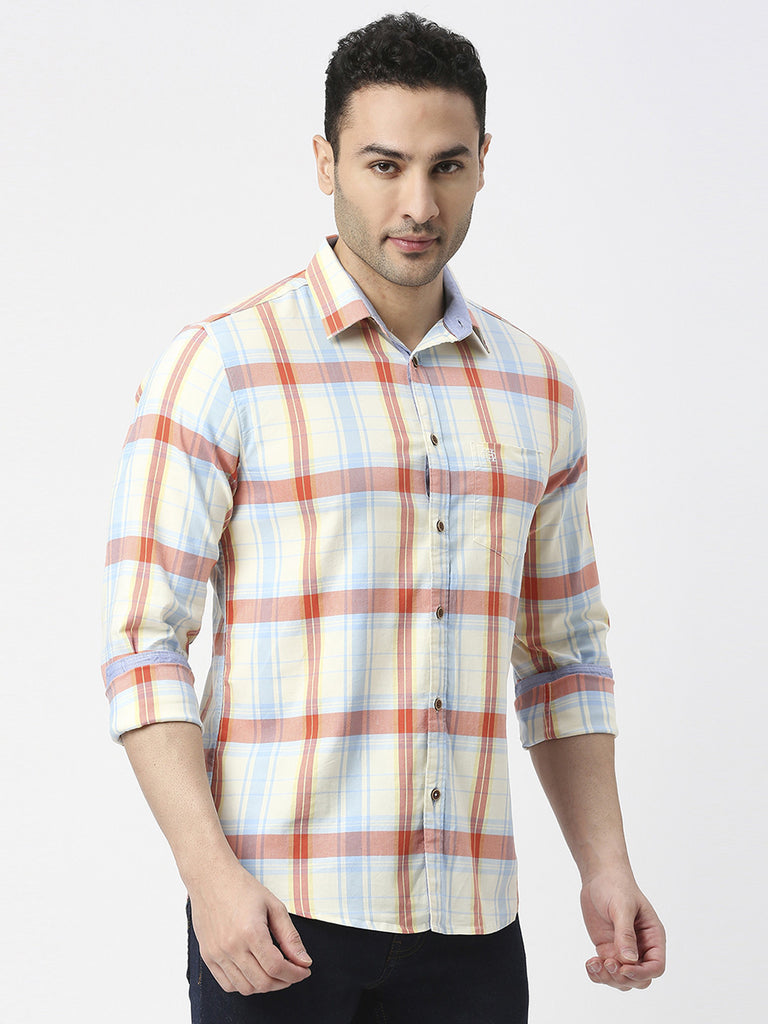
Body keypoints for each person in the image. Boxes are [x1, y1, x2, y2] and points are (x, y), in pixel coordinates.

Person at [102, 12, 666, 1023]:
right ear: (325, 163)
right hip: (275, 920)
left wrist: (606, 864)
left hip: (473, 928)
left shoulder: (538, 389)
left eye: (448, 166)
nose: (418, 203)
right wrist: (208, 878)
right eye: (383, 164)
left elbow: (565, 655)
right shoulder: (223, 366)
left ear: (484, 162)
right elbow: (144, 643)